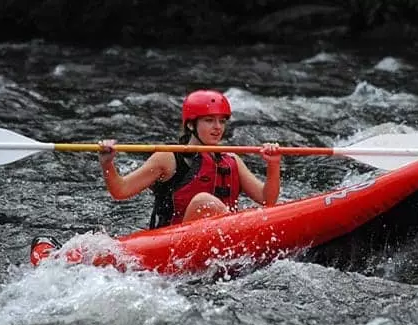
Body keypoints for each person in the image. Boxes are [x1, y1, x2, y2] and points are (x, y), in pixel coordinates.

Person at [98, 89, 282, 229]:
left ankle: (239, 232)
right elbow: (120, 191)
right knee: (203, 202)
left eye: (222, 121)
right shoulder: (169, 157)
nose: (217, 127)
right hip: (172, 244)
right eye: (209, 120)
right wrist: (107, 163)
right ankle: (244, 232)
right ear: (191, 125)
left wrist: (273, 164)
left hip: (220, 241)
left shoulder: (231, 159)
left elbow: (268, 200)